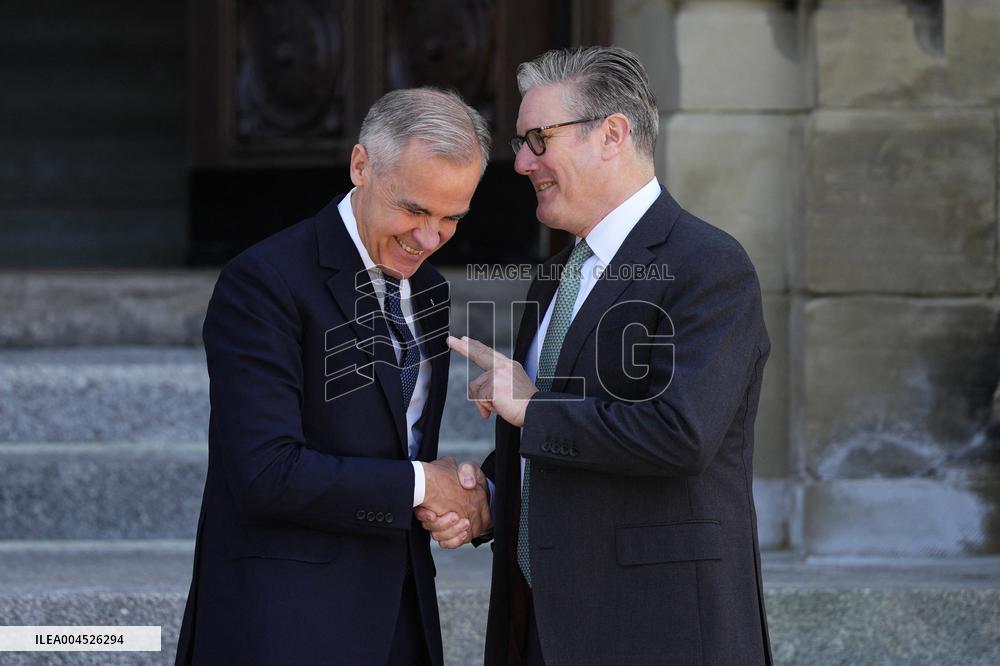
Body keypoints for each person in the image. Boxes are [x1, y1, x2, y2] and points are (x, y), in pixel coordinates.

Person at [419, 47, 774, 665]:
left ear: (612, 134)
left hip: (657, 630)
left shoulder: (708, 266)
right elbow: (564, 442)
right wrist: (487, 500)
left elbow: (680, 433)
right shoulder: (555, 276)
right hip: (540, 627)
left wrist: (531, 409)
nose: (522, 162)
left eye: (537, 139)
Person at [176, 87, 492, 666]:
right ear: (360, 166)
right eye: (414, 210)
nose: (429, 239)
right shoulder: (263, 281)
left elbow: (397, 447)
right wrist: (425, 486)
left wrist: (462, 502)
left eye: (451, 218)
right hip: (284, 625)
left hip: (402, 619)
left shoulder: (429, 289)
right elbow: (264, 471)